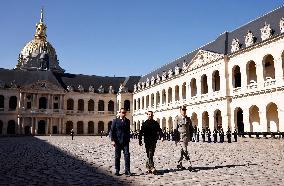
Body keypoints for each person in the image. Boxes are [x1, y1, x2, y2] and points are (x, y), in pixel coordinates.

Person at [110, 108, 131, 176]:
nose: (123, 114)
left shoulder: (127, 121)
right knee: (117, 156)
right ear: (119, 113)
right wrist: (112, 140)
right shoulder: (115, 121)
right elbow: (112, 131)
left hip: (125, 142)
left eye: (124, 112)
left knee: (127, 156)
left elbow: (128, 131)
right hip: (117, 141)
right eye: (122, 112)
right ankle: (117, 170)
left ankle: (127, 170)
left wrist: (128, 138)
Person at [174, 105, 193, 169]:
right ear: (180, 111)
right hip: (180, 137)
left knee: (182, 151)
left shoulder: (188, 119)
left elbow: (191, 128)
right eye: (183, 110)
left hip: (186, 137)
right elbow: (175, 129)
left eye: (185, 110)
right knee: (185, 150)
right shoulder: (177, 118)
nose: (184, 111)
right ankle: (189, 163)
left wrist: (191, 136)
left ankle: (179, 163)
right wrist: (176, 139)